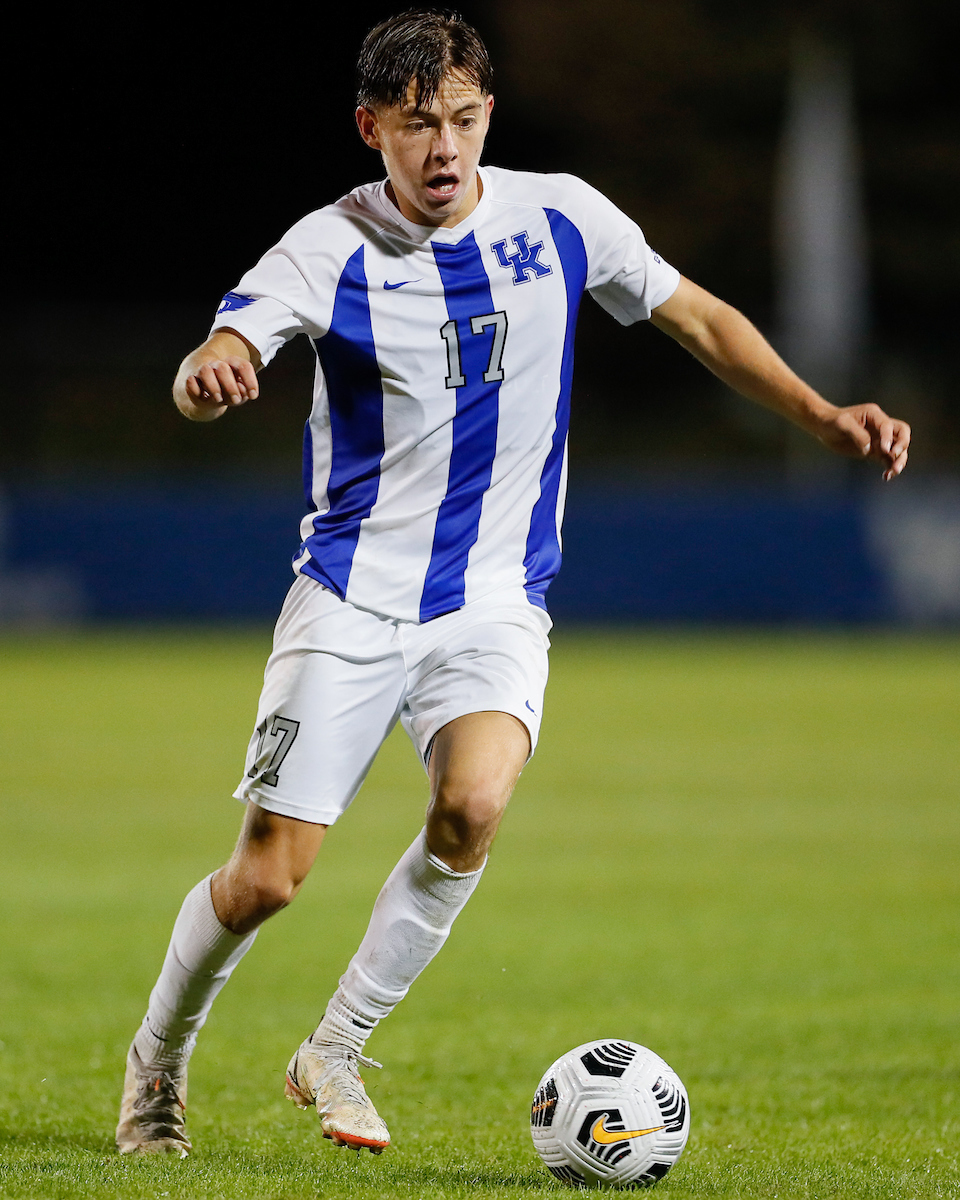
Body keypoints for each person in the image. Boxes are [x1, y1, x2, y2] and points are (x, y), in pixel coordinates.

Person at [116, 8, 911, 1159]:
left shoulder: (563, 217)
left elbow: (696, 315)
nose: (445, 148)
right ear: (371, 127)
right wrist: (209, 375)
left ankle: (335, 1045)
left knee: (473, 805)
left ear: (489, 115)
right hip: (348, 598)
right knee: (268, 879)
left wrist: (825, 415)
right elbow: (224, 348)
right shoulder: (325, 249)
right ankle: (158, 1064)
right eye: (418, 124)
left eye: (465, 119)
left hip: (494, 600)